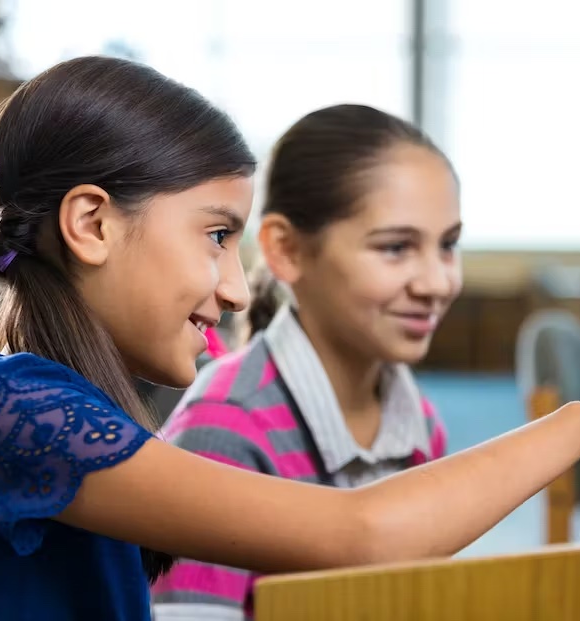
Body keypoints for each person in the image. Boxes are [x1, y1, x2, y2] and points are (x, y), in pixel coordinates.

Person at [0, 55, 580, 621]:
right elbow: (359, 529)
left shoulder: (66, 410)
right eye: (216, 235)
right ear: (92, 223)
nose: (234, 286)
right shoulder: (11, 408)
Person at [151, 105, 455, 621]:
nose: (436, 283)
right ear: (286, 249)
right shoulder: (224, 429)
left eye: (448, 245)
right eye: (397, 247)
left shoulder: (422, 423)